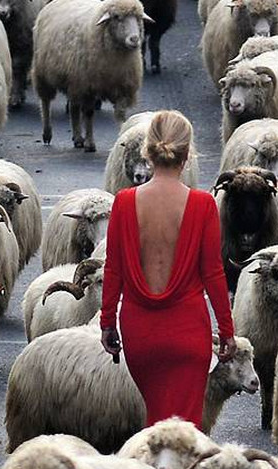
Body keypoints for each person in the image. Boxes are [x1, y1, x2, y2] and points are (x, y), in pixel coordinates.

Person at [100, 110, 237, 428]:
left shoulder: (123, 202)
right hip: (187, 334)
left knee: (156, 425)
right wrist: (227, 330)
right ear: (187, 155)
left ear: (147, 152)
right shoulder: (203, 206)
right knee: (184, 431)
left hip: (141, 335)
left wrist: (107, 323)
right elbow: (214, 274)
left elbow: (114, 270)